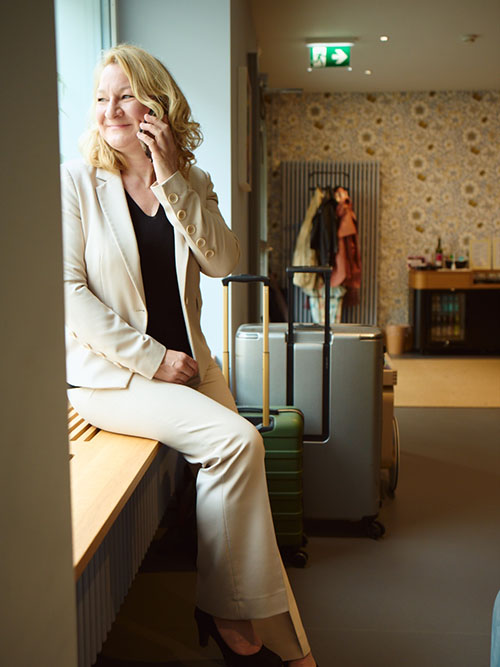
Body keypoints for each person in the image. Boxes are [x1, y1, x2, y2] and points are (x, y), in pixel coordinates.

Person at [62, 43, 317, 667]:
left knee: (240, 465)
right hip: (117, 378)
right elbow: (67, 294)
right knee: (238, 444)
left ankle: (287, 644)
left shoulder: (191, 181)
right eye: (101, 98)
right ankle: (228, 614)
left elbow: (224, 262)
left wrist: (170, 174)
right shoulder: (75, 183)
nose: (111, 109)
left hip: (191, 366)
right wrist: (152, 360)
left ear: (157, 102)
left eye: (125, 94)